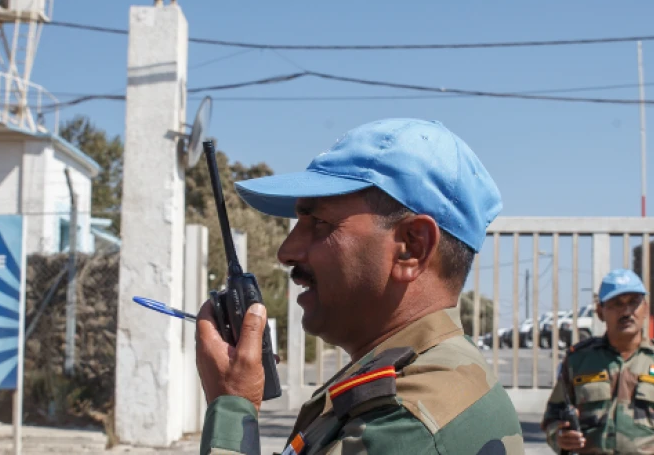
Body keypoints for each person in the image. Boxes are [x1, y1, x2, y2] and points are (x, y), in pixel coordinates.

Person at [195, 118, 525, 455]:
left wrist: (231, 404)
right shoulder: (413, 380)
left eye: (319, 223)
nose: (287, 252)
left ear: (412, 247)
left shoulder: (406, 422)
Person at [540, 269, 654, 454]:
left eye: (633, 302)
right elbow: (552, 417)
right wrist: (560, 437)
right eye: (616, 304)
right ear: (600, 311)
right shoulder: (578, 362)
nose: (627, 311)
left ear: (645, 308)